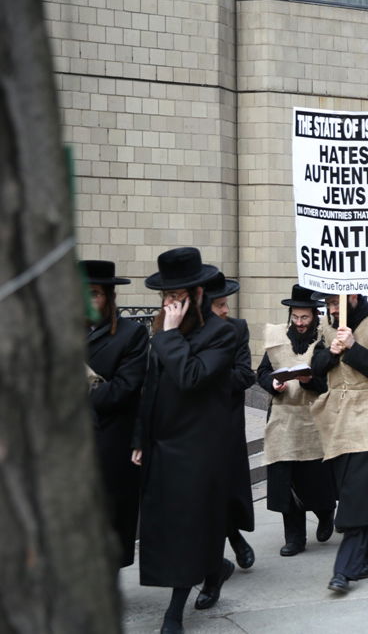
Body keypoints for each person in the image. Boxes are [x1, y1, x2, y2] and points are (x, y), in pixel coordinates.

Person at [132, 247, 237, 633]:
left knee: (188, 524)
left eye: (177, 297)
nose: (169, 303)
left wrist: (171, 336)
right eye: (165, 297)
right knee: (168, 525)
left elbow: (191, 377)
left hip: (200, 446)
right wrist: (141, 436)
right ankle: (216, 568)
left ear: (196, 295)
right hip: (162, 443)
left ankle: (174, 612)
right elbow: (151, 386)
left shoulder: (222, 333)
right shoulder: (165, 333)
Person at [310, 292, 368, 592]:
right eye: (329, 303)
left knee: (358, 494)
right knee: (351, 491)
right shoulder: (325, 327)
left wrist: (353, 348)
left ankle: (344, 569)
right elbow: (315, 368)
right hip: (338, 420)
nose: (332, 308)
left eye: (337, 302)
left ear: (353, 297)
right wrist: (332, 352)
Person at [256, 285, 335, 558]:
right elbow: (262, 372)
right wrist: (272, 382)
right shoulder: (277, 338)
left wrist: (310, 380)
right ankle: (294, 538)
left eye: (305, 318)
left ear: (315, 315)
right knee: (286, 481)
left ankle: (326, 514)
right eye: (296, 318)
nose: (300, 323)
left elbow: (332, 382)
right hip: (282, 418)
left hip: (314, 419)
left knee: (316, 480)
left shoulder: (325, 340)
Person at [82, 260, 148, 569]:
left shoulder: (131, 334)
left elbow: (124, 389)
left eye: (93, 293)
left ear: (108, 296)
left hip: (110, 443)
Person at [205, 273, 257, 570]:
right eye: (219, 305)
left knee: (225, 488)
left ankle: (234, 537)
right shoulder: (184, 333)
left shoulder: (237, 329)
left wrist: (205, 375)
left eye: (226, 304)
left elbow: (245, 375)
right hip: (193, 426)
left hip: (226, 421)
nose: (226, 310)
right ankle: (222, 548)